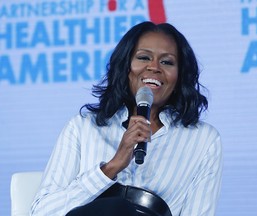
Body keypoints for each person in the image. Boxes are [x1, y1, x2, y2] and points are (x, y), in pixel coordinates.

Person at [30, 21, 222, 216]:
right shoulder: (82, 127)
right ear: (125, 67)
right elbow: (41, 212)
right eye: (144, 57)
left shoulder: (204, 140)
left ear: (180, 75)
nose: (154, 67)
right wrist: (112, 166)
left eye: (167, 62)